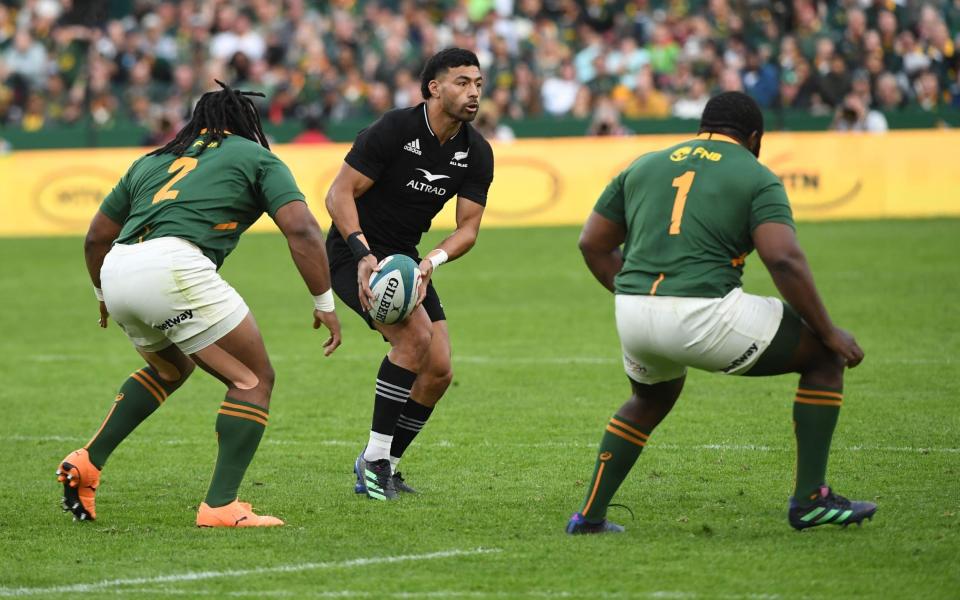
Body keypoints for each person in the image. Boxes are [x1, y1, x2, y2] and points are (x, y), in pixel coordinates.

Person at [567, 91, 875, 534]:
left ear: (701, 127)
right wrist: (829, 331)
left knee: (649, 398)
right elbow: (783, 258)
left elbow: (591, 243)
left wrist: (640, 297)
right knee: (824, 358)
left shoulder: (644, 164)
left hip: (632, 312)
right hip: (706, 312)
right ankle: (810, 500)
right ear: (754, 137)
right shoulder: (756, 174)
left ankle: (589, 517)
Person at [57, 81, 342, 528]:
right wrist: (324, 301)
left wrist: (101, 295)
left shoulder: (152, 159)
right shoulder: (257, 156)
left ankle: (88, 461)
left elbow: (96, 237)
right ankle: (221, 506)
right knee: (253, 379)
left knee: (170, 369)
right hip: (174, 266)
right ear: (247, 123)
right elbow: (303, 230)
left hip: (118, 268)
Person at [324, 48, 494, 501]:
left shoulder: (475, 151)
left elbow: (469, 227)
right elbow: (338, 193)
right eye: (462, 82)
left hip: (406, 259)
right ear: (434, 88)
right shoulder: (395, 129)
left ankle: (385, 465)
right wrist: (361, 252)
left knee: (438, 369)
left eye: (478, 82)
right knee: (413, 340)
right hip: (351, 251)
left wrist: (430, 262)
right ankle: (375, 461)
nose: (473, 91)